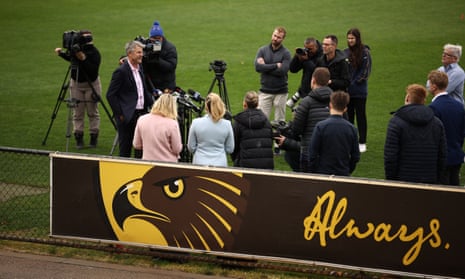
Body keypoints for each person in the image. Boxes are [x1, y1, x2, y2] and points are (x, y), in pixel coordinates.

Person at [384, 84, 446, 184]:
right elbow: (442, 155)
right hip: (429, 180)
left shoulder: (396, 122)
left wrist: (391, 180)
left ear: (408, 98)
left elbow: (390, 156)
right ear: (423, 100)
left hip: (402, 180)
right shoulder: (437, 123)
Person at [55, 30, 102, 149]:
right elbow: (71, 59)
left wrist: (82, 57)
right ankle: (78, 137)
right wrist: (62, 54)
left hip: (92, 84)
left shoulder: (95, 53)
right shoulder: (75, 51)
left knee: (92, 111)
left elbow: (91, 71)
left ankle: (93, 136)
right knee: (77, 112)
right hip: (76, 83)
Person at [106, 41, 154, 158]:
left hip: (142, 114)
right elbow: (110, 94)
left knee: (141, 148)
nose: (141, 55)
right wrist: (120, 114)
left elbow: (142, 89)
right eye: (138, 52)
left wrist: (154, 105)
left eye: (141, 52)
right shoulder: (121, 71)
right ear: (130, 54)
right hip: (128, 116)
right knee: (125, 149)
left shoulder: (140, 68)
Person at [308, 91, 360, 176]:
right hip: (343, 173)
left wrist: (316, 170)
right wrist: (348, 169)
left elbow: (312, 154)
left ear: (330, 105)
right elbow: (355, 156)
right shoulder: (352, 129)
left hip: (323, 173)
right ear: (345, 109)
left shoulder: (321, 127)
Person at [290, 67, 332, 172]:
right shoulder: (336, 101)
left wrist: (294, 120)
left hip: (309, 151)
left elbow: (296, 130)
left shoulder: (306, 102)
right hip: (330, 151)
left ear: (313, 80)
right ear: (328, 82)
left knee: (307, 186)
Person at [428, 70, 465, 185]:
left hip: (441, 159)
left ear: (434, 87)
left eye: (429, 83)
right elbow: (462, 132)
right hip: (456, 156)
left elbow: (433, 136)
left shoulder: (433, 108)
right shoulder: (459, 106)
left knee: (441, 196)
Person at [254, 26, 291, 122]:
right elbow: (257, 67)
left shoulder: (286, 53)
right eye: (274, 35)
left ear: (283, 39)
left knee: (279, 122)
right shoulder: (262, 50)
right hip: (265, 91)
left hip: (281, 92)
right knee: (261, 121)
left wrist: (265, 66)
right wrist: (275, 65)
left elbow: (282, 71)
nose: (275, 38)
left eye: (278, 37)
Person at [344, 28, 372, 153]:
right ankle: (350, 140)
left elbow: (365, 73)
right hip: (348, 91)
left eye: (352, 38)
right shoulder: (345, 53)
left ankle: (362, 141)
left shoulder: (365, 52)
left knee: (360, 116)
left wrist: (352, 84)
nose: (350, 41)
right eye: (349, 38)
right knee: (349, 116)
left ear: (357, 39)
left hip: (359, 92)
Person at [187, 93, 234, 167]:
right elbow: (230, 149)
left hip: (200, 162)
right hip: (220, 163)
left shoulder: (196, 123)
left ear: (206, 106)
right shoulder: (227, 124)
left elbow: (191, 147)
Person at [133, 93, 183, 162]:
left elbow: (136, 145)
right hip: (168, 164)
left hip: (148, 163)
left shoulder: (142, 119)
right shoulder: (172, 124)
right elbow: (177, 149)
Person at [231, 91, 274, 169]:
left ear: (245, 104)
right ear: (257, 104)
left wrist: (236, 160)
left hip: (245, 166)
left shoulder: (239, 122)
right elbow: (269, 143)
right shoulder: (266, 121)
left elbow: (234, 147)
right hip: (266, 166)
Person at [287, 37, 323, 109]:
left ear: (316, 47)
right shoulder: (307, 55)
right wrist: (297, 57)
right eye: (306, 49)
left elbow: (316, 72)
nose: (308, 51)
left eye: (310, 49)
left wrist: (306, 60)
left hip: (317, 93)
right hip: (305, 91)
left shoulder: (322, 56)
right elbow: (292, 69)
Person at [143, 21, 178, 92]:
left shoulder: (169, 48)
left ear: (162, 37)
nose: (156, 41)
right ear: (150, 38)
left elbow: (171, 66)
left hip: (165, 87)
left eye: (158, 38)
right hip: (149, 86)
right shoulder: (146, 45)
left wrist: (157, 60)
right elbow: (134, 53)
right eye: (154, 38)